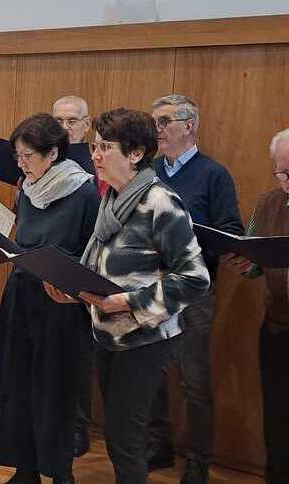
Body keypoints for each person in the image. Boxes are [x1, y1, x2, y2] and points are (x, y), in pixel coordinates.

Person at [45, 108, 210, 484]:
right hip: (107, 333)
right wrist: (73, 291)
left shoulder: (160, 201)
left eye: (105, 147)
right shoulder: (113, 197)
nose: (95, 155)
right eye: (94, 146)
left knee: (126, 441)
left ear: (136, 153)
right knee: (119, 438)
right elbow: (99, 266)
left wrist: (128, 302)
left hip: (145, 339)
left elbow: (196, 278)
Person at [0, 113, 99, 484]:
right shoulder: (27, 189)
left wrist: (71, 282)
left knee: (55, 388)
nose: (20, 165)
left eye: (27, 156)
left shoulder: (84, 190)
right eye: (17, 156)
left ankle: (60, 471)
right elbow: (24, 239)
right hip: (22, 293)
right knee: (17, 382)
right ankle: (25, 469)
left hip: (61, 300)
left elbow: (92, 251)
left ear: (53, 153)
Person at [147, 95, 245, 483]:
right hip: (151, 286)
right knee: (152, 373)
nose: (158, 130)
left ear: (189, 126)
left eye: (165, 121)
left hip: (193, 291)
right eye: (154, 122)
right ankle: (158, 446)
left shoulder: (213, 174)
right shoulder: (149, 170)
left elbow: (231, 232)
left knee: (195, 380)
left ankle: (198, 461)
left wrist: (190, 233)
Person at [225, 125, 289, 484]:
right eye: (282, 173)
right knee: (279, 430)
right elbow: (256, 259)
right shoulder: (268, 203)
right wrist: (247, 263)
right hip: (278, 331)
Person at [52, 95, 100, 456]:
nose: (65, 128)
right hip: (48, 268)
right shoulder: (47, 160)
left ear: (87, 124)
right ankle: (54, 424)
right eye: (58, 120)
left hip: (86, 270)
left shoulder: (97, 164)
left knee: (80, 358)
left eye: (72, 121)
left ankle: (78, 428)